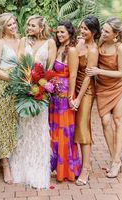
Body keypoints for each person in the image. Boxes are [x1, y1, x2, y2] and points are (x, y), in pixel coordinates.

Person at [10, 15, 57, 189]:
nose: (28, 28)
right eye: (28, 25)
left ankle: (38, 169)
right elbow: (20, 64)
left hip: (41, 91)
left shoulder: (50, 43)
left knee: (39, 129)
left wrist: (43, 87)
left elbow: (50, 68)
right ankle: (22, 168)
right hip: (25, 89)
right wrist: (26, 85)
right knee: (24, 129)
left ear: (41, 27)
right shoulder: (23, 41)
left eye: (32, 25)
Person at [86, 17, 122, 178]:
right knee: (105, 121)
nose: (102, 33)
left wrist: (99, 72)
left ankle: (116, 161)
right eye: (103, 30)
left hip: (117, 87)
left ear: (116, 34)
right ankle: (114, 157)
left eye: (106, 32)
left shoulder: (120, 48)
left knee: (118, 120)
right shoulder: (101, 44)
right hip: (102, 88)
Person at [49, 21, 81, 182]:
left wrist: (70, 98)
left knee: (64, 132)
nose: (59, 35)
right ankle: (55, 165)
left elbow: (73, 75)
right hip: (54, 96)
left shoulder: (72, 50)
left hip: (64, 97)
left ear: (70, 32)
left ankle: (66, 169)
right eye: (58, 32)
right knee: (54, 131)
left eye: (62, 32)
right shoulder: (58, 47)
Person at [0, 13, 19, 184]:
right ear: (3, 27)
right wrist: (11, 78)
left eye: (14, 23)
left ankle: (6, 160)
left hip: (18, 88)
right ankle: (5, 165)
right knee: (2, 125)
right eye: (9, 24)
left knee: (14, 125)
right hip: (1, 87)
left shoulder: (20, 41)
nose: (13, 26)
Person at [72, 16, 100, 186]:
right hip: (74, 86)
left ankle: (86, 168)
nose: (82, 31)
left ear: (94, 32)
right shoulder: (79, 43)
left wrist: (78, 99)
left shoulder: (94, 50)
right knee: (73, 125)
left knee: (83, 126)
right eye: (81, 27)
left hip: (86, 91)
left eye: (86, 29)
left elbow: (89, 78)